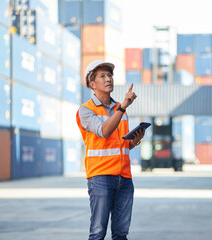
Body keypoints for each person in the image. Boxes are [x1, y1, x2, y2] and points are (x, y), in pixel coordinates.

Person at [76, 60, 145, 240]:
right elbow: (104, 132)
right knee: (98, 233)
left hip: (124, 178)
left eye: (110, 75)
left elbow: (120, 144)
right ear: (92, 84)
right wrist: (122, 107)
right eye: (103, 76)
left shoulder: (118, 109)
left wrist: (134, 141)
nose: (108, 79)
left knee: (121, 234)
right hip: (101, 178)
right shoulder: (85, 110)